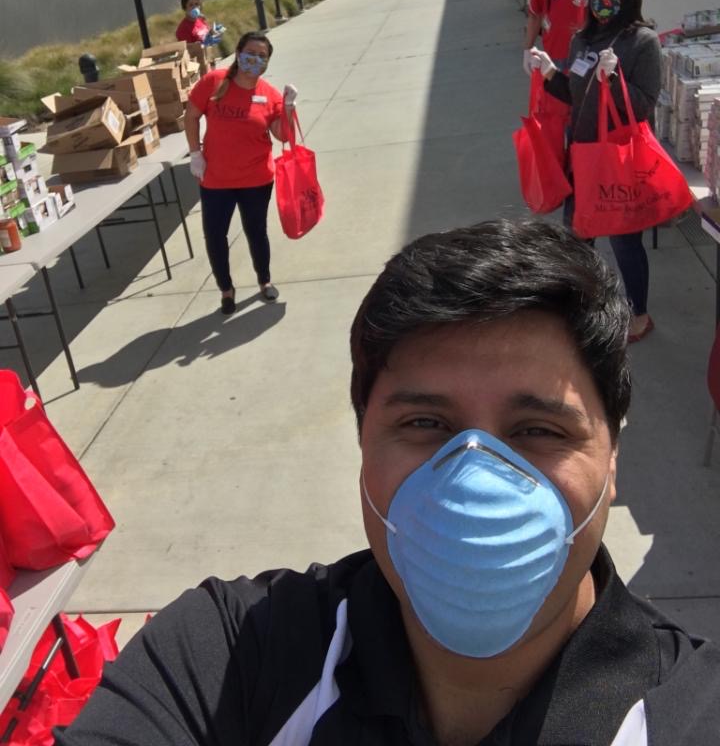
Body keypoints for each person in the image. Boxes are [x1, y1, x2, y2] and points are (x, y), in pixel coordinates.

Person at [57, 219, 720, 746]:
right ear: (363, 445)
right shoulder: (230, 655)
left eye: (537, 431)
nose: (475, 486)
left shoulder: (691, 714)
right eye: (427, 423)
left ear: (611, 457)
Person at [529, 0, 662, 343]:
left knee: (623, 240)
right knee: (577, 236)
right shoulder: (582, 39)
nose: (604, 0)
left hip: (619, 159)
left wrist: (615, 76)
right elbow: (575, 94)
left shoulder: (642, 42)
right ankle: (584, 309)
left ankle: (639, 314)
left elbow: (643, 105)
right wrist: (551, 71)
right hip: (583, 156)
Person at [184, 31, 294, 313]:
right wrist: (195, 152)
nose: (255, 59)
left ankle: (265, 281)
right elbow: (192, 115)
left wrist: (289, 108)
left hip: (256, 179)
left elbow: (282, 135)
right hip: (216, 179)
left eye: (262, 56)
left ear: (267, 62)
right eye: (251, 53)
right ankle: (226, 289)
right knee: (215, 235)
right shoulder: (214, 81)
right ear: (238, 52)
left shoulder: (269, 94)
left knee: (256, 231)